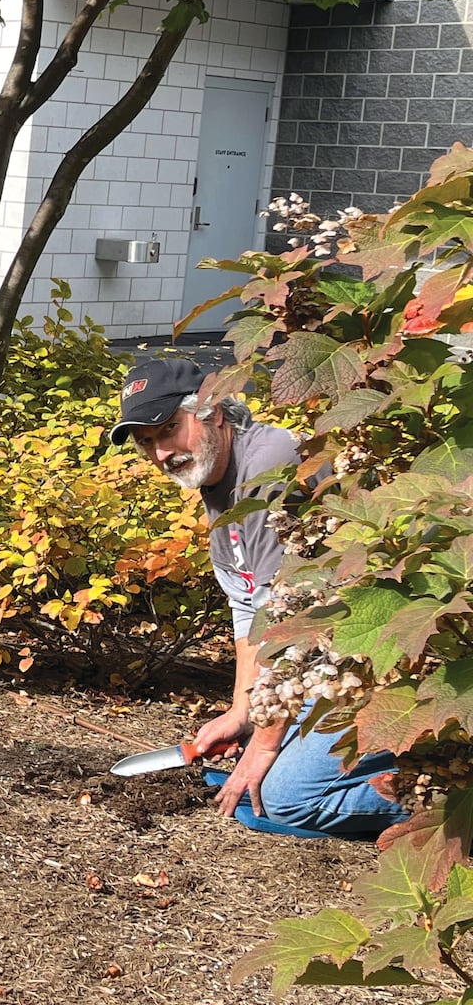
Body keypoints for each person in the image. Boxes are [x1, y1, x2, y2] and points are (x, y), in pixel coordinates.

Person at [111, 358, 408, 837]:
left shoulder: (268, 467)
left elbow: (294, 620)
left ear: (212, 413)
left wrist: (264, 746)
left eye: (168, 430)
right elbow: (249, 607)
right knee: (272, 774)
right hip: (330, 661)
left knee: (286, 797)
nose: (161, 453)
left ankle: (443, 791)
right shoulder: (217, 479)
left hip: (386, 656)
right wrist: (243, 712)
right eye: (147, 442)